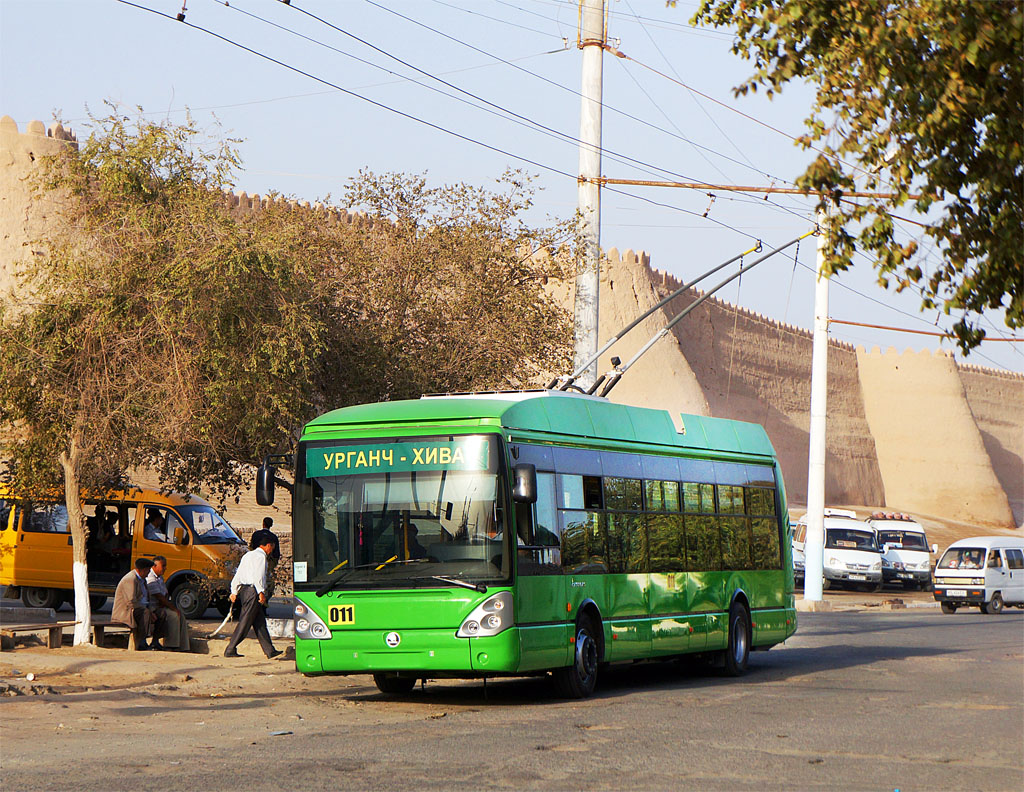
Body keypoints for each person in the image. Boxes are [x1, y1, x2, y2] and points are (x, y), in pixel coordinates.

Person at [224, 537, 281, 659]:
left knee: (259, 622)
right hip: (253, 591)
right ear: (267, 545)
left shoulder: (248, 556)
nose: (272, 550)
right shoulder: (260, 557)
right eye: (272, 547)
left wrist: (234, 590)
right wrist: (261, 592)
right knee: (245, 621)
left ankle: (270, 651)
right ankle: (230, 648)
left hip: (245, 591)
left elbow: (238, 574)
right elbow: (258, 576)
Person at [112, 557, 164, 651]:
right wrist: (148, 611)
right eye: (148, 570)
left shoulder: (142, 580)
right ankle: (141, 642)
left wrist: (152, 611)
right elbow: (131, 602)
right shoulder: (131, 579)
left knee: (161, 613)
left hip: (140, 608)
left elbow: (146, 599)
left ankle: (155, 641)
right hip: (127, 611)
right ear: (143, 570)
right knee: (145, 613)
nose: (149, 573)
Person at [145, 555, 190, 652]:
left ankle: (183, 645)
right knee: (173, 615)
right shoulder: (150, 578)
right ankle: (171, 644)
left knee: (181, 616)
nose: (165, 568)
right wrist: (173, 608)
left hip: (161, 605)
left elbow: (165, 594)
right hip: (153, 607)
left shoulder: (160, 578)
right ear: (154, 566)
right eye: (163, 566)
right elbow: (159, 597)